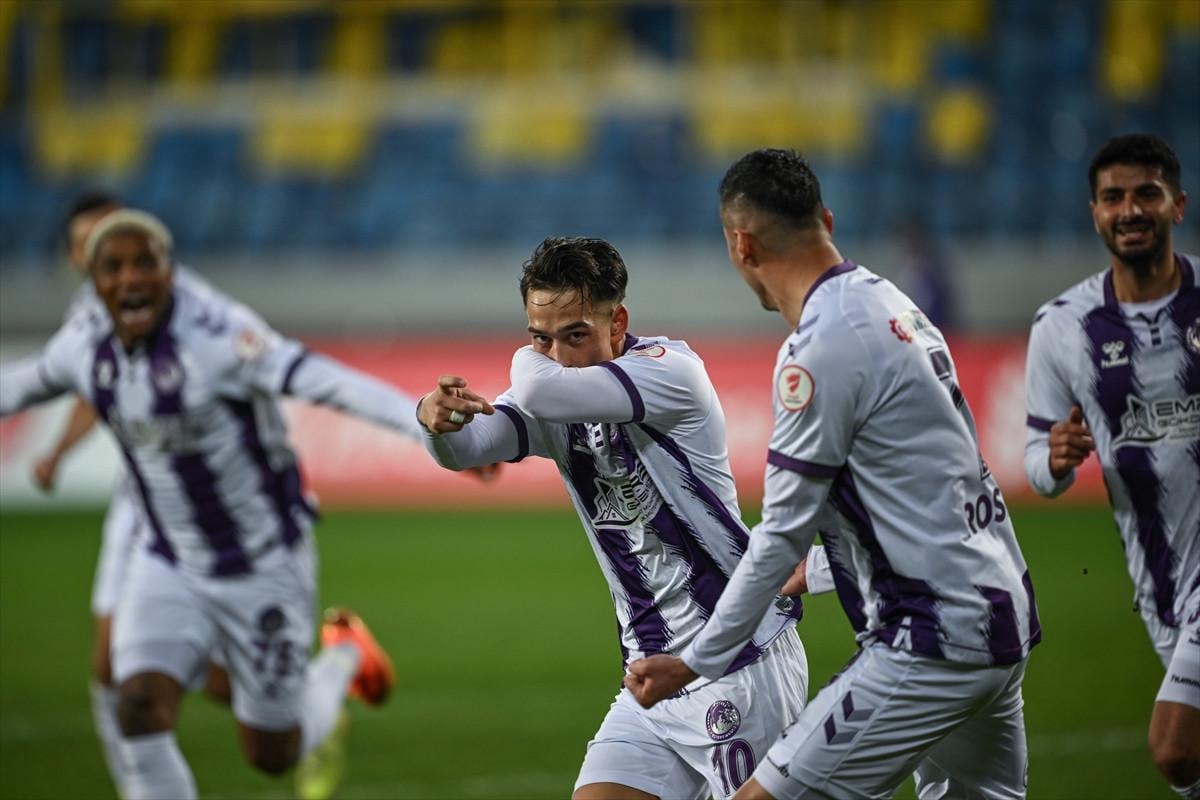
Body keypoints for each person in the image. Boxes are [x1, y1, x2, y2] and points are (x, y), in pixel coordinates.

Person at [623, 149, 1041, 800]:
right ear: (826, 219)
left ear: (741, 244)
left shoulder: (819, 350)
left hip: (930, 640)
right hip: (998, 616)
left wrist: (694, 662)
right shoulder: (894, 304)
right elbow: (934, 487)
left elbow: (778, 536)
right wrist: (821, 568)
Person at [0, 210, 415, 800]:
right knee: (137, 702)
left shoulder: (218, 336)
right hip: (166, 558)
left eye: (144, 263)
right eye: (112, 268)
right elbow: (21, 384)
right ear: (92, 282)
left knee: (273, 753)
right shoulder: (83, 344)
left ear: (169, 270)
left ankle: (344, 658)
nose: (129, 278)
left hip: (261, 562)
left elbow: (324, 380)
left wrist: (423, 423)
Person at [416, 236, 810, 800]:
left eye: (574, 334)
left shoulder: (670, 373)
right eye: (540, 337)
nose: (556, 353)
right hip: (650, 676)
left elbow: (537, 388)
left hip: (738, 661)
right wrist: (434, 420)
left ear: (617, 322)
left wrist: (527, 354)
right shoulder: (553, 391)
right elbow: (468, 449)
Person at [30, 191, 233, 798]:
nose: (110, 251)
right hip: (137, 501)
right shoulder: (90, 315)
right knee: (113, 667)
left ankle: (304, 700)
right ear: (76, 255)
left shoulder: (180, 305)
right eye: (93, 243)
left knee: (169, 673)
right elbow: (92, 388)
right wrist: (57, 451)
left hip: (192, 500)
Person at [1023, 133, 1199, 799]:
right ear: (1095, 212)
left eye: (1146, 193)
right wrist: (1056, 461)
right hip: (1160, 583)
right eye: (1113, 197)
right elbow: (1036, 465)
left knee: (1176, 749)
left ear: (1177, 204)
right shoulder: (1062, 327)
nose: (1130, 210)